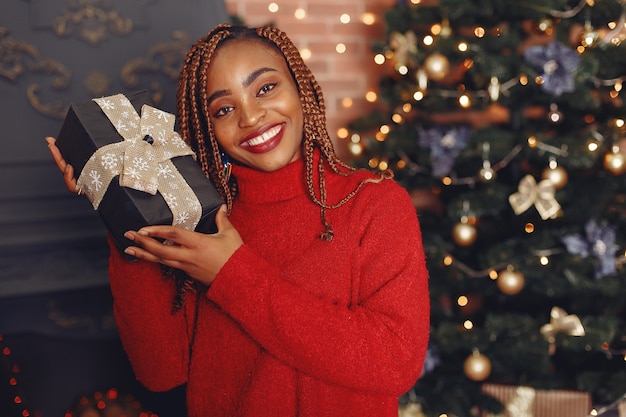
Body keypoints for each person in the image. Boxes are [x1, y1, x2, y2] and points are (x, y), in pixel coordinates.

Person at [47, 23, 430, 417]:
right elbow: (160, 372)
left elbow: (395, 362)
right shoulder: (198, 215)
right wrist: (119, 207)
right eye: (224, 109)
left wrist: (231, 274)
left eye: (265, 88)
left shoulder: (373, 203)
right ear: (208, 129)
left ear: (299, 87)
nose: (251, 117)